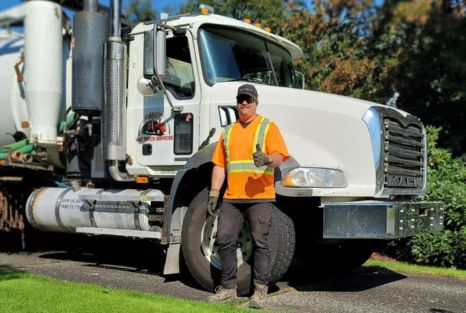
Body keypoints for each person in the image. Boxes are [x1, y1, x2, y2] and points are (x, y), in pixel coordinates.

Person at [207, 84, 289, 309]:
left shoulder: (267, 126)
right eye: (241, 99)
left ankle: (260, 291)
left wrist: (267, 160)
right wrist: (214, 193)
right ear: (237, 102)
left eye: (248, 99)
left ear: (256, 102)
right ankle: (228, 289)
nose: (244, 103)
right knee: (224, 239)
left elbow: (280, 156)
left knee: (261, 243)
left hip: (260, 196)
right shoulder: (229, 131)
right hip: (232, 197)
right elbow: (219, 165)